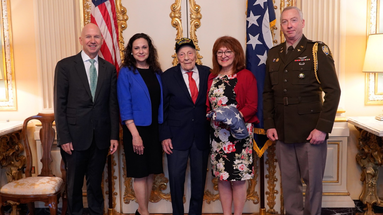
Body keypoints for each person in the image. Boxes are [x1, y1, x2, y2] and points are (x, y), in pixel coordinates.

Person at [263, 6, 341, 215]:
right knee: (289, 185)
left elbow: (333, 91)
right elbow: (268, 93)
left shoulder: (316, 51)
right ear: (281, 26)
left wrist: (322, 128)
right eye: (285, 22)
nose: (289, 25)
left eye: (294, 20)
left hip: (311, 132)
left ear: (303, 23)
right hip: (283, 131)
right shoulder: (274, 54)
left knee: (313, 184)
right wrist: (269, 123)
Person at [54, 23, 119, 215]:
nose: (93, 41)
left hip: (100, 137)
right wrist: (64, 138)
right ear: (81, 40)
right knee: (73, 185)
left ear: (101, 40)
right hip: (73, 138)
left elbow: (112, 105)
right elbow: (60, 105)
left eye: (96, 37)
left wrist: (114, 135)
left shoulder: (109, 69)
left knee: (95, 183)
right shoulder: (65, 66)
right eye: (88, 37)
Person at [207, 36, 258, 215]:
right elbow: (208, 105)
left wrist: (233, 117)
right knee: (222, 178)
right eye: (220, 52)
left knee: (238, 178)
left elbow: (252, 105)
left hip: (239, 135)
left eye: (228, 51)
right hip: (218, 136)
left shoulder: (246, 75)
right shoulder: (212, 77)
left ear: (236, 54)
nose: (224, 55)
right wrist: (212, 115)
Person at [160, 38, 210, 215]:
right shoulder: (167, 76)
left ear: (196, 54)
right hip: (176, 137)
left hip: (201, 136)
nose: (186, 57)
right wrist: (165, 135)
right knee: (175, 179)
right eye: (182, 54)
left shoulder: (207, 73)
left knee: (199, 180)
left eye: (190, 53)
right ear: (177, 57)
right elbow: (162, 109)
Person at [117, 33, 163, 215]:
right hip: (135, 130)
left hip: (154, 129)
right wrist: (135, 135)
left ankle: (142, 210)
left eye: (144, 47)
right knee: (140, 173)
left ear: (149, 50)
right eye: (136, 48)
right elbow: (124, 104)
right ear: (131, 51)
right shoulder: (126, 72)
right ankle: (144, 213)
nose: (141, 51)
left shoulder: (156, 71)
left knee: (150, 171)